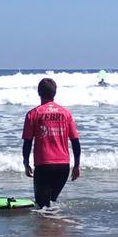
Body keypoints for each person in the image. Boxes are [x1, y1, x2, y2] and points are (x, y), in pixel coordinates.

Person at [22, 78, 81, 208]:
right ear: (55, 93)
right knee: (50, 203)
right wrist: (76, 165)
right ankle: (56, 226)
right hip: (63, 167)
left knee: (42, 206)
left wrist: (26, 163)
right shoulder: (66, 114)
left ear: (39, 92)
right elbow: (76, 142)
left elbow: (27, 142)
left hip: (44, 166)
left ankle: (48, 226)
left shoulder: (33, 114)